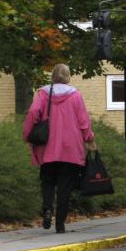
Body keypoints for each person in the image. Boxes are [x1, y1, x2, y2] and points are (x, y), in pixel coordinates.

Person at [23, 64, 97, 233]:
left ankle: (47, 209)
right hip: (70, 148)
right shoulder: (76, 95)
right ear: (68, 76)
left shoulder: (43, 93)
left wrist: (28, 136)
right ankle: (60, 224)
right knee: (65, 186)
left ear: (52, 76)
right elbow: (83, 121)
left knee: (47, 181)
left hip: (47, 147)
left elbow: (33, 112)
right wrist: (90, 139)